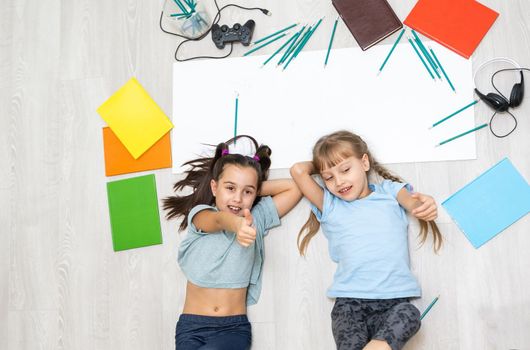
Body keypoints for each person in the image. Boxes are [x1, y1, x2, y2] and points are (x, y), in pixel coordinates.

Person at [290, 130, 442, 350]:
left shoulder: (389, 191)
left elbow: (413, 204)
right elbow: (298, 170)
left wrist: (423, 205)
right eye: (329, 177)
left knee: (410, 315)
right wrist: (327, 161)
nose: (339, 181)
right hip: (349, 304)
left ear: (364, 162)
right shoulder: (330, 204)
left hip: (394, 301)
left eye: (345, 169)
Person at [163, 135, 301, 350]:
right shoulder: (201, 214)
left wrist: (253, 190)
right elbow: (218, 220)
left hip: (232, 330)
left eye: (246, 192)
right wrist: (236, 224)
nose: (237, 198)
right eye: (230, 188)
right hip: (191, 327)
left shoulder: (257, 217)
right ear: (214, 187)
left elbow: (295, 187)